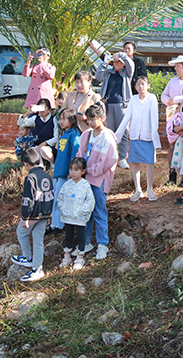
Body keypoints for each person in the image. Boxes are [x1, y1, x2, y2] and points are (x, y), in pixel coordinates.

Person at [76, 103, 119, 260]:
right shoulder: (86, 135)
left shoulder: (107, 137)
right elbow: (80, 153)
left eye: (94, 119)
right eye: (89, 120)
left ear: (102, 118)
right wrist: (79, 170)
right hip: (85, 178)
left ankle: (103, 244)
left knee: (99, 212)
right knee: (86, 212)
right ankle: (85, 242)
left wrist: (91, 170)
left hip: (98, 180)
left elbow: (109, 160)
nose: (91, 123)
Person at [10, 148, 54, 282]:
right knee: (38, 240)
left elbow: (28, 199)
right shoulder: (46, 176)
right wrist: (50, 215)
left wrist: (25, 217)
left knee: (21, 232)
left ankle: (27, 257)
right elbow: (51, 196)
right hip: (45, 213)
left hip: (34, 214)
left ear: (25, 164)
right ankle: (37, 268)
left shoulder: (31, 178)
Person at [115, 76, 161, 202]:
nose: (141, 87)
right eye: (138, 85)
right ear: (135, 87)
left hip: (148, 136)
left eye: (143, 84)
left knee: (149, 163)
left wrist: (154, 136)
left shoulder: (152, 98)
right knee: (135, 163)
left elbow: (154, 118)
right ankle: (138, 189)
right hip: (135, 135)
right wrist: (117, 135)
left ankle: (150, 189)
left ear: (148, 86)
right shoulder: (133, 100)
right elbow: (127, 117)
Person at [93, 48, 134, 169]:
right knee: (108, 132)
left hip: (123, 105)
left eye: (119, 62)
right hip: (108, 105)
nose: (117, 63)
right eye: (115, 62)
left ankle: (122, 158)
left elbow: (130, 64)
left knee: (124, 132)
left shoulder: (126, 73)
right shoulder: (108, 72)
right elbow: (98, 76)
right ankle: (110, 157)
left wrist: (120, 55)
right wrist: (106, 62)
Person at [57, 156, 95, 271]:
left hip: (80, 217)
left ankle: (79, 257)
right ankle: (67, 256)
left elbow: (90, 200)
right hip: (68, 216)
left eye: (76, 170)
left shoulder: (85, 185)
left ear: (83, 171)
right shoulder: (67, 184)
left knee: (80, 236)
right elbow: (60, 197)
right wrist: (62, 208)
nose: (72, 172)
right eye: (71, 169)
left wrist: (84, 211)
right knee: (68, 236)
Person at [161, 54, 183, 183]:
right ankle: (172, 175)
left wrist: (175, 100)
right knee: (172, 146)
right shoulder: (173, 81)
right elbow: (164, 95)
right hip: (173, 118)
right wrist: (171, 101)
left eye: (178, 66)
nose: (176, 69)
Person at [50, 108, 81, 233]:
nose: (61, 122)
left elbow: (75, 153)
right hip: (58, 172)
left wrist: (71, 172)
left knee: (60, 200)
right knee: (55, 199)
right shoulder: (64, 134)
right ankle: (54, 223)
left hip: (65, 174)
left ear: (72, 120)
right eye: (60, 119)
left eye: (64, 119)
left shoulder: (74, 134)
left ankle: (59, 225)